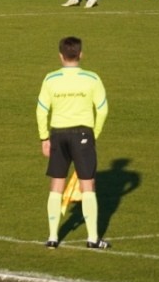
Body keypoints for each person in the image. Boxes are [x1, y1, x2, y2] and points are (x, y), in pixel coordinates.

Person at [36, 36, 111, 250]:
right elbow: (103, 109)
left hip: (58, 134)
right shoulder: (92, 78)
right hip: (83, 134)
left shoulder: (51, 79)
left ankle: (52, 238)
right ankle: (93, 238)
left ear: (60, 56)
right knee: (87, 184)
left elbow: (41, 110)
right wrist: (94, 133)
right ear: (80, 55)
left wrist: (44, 138)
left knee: (57, 184)